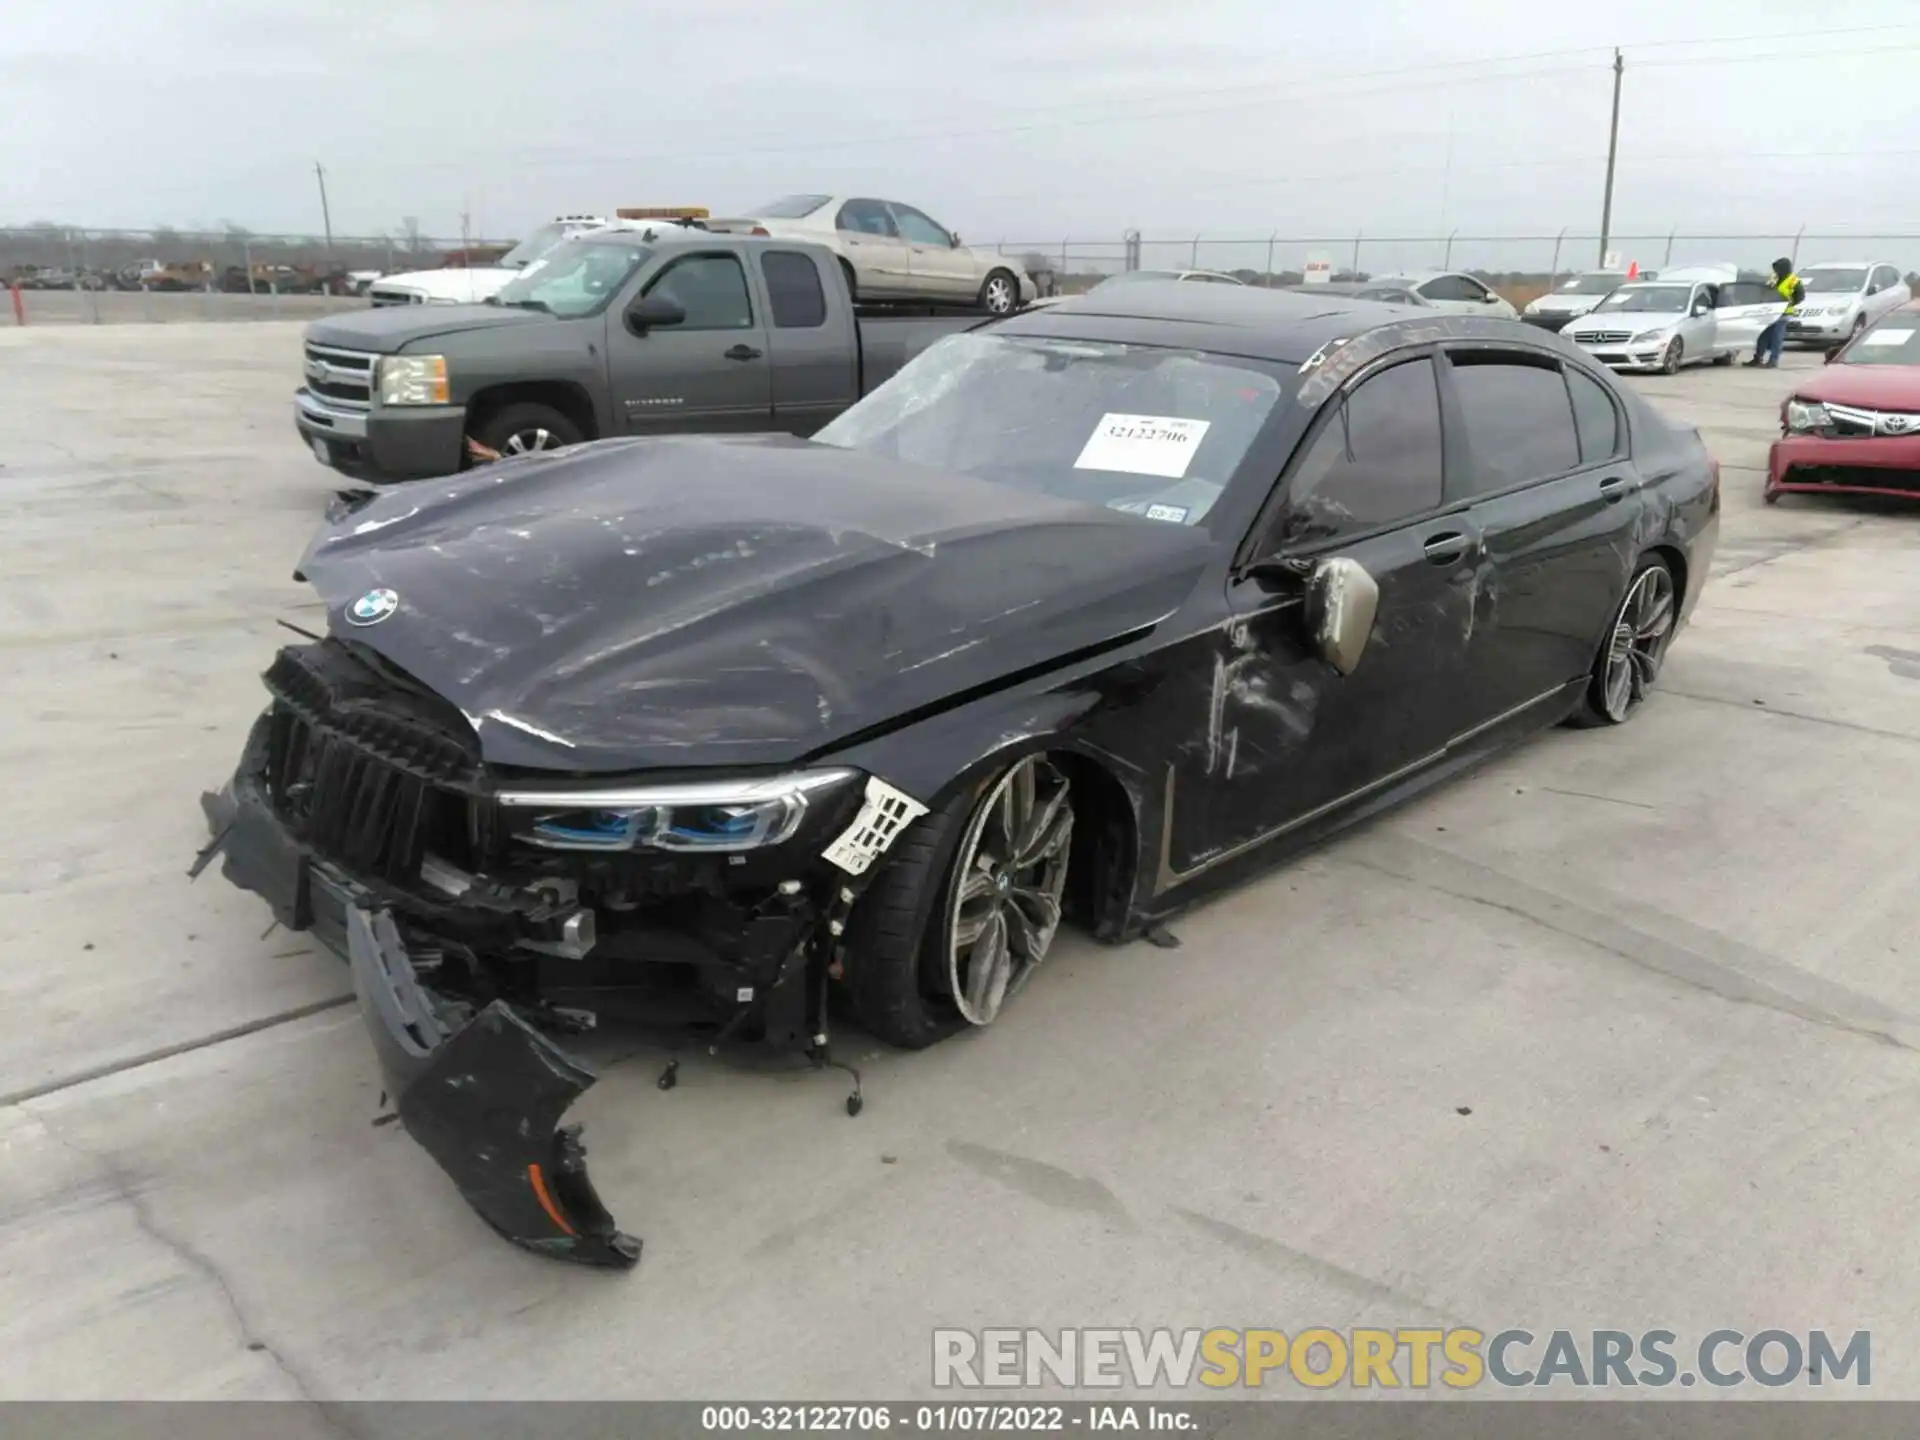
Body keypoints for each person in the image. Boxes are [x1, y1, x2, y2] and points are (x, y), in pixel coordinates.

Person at [1745, 257, 1805, 368]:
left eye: (1778, 268)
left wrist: (1791, 302)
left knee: (1776, 338)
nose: (1776, 270)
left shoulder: (1794, 281)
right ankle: (1758, 358)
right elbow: (1766, 290)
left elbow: (1801, 296)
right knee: (1762, 336)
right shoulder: (1774, 278)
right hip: (1770, 312)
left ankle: (1773, 360)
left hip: (1783, 313)